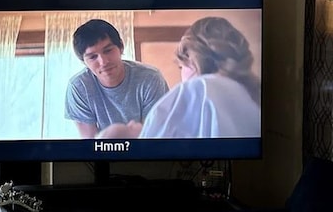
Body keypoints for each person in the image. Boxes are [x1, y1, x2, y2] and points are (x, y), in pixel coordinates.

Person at [99, 16, 261, 139]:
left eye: (181, 67)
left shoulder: (199, 87)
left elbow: (155, 145)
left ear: (192, 60)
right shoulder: (251, 96)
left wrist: (134, 132)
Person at [65, 18, 169, 138]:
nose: (103, 62)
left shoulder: (150, 78)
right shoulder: (79, 87)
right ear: (84, 62)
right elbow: (90, 143)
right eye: (93, 57)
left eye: (108, 50)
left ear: (121, 47)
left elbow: (152, 135)